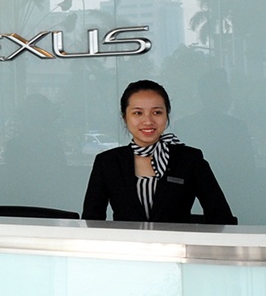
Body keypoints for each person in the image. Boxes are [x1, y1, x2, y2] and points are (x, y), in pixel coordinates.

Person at [82, 79, 236, 224]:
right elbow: (91, 220)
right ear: (125, 117)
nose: (148, 121)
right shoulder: (107, 162)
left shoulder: (189, 159)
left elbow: (221, 216)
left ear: (167, 115)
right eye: (138, 113)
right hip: (127, 244)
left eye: (157, 112)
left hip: (176, 243)